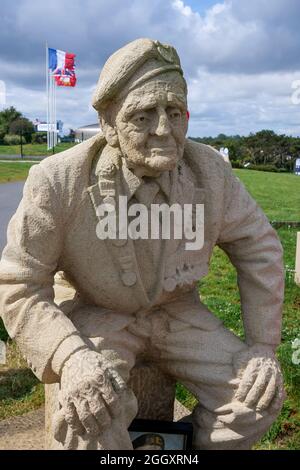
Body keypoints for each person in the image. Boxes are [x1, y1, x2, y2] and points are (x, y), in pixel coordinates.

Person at [0, 38, 285, 450]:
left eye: (174, 112)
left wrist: (262, 345)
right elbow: (20, 282)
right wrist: (71, 357)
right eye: (143, 116)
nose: (164, 131)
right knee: (87, 415)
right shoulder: (58, 181)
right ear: (108, 124)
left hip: (180, 314)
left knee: (256, 399)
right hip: (100, 314)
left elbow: (259, 246)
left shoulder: (210, 172)